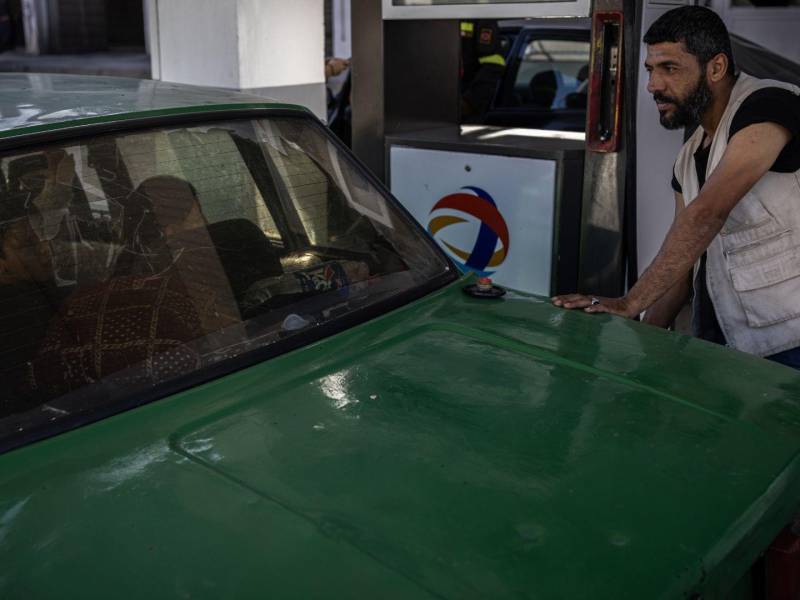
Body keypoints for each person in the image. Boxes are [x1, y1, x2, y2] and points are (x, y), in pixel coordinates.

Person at [552, 6, 800, 368]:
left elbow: (707, 213)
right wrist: (645, 344)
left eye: (670, 68)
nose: (653, 85)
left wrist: (628, 302)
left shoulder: (769, 104)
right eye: (651, 70)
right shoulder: (688, 159)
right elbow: (682, 271)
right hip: (728, 342)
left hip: (791, 339)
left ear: (715, 68)